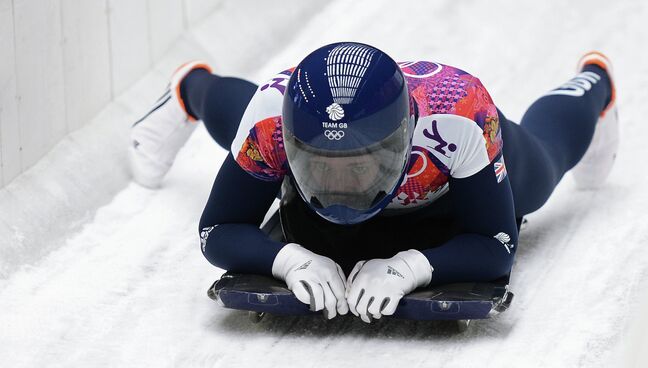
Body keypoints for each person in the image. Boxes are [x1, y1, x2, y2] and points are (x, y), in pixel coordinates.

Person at [130, 42, 618, 323]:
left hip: (449, 179)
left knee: (545, 163)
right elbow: (216, 229)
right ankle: (190, 87)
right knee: (245, 124)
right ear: (296, 141)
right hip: (278, 123)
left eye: (361, 164)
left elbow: (495, 243)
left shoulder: (460, 117)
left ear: (404, 142)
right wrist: (288, 257)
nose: (342, 183)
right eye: (320, 163)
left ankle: (597, 82)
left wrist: (410, 267)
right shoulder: (271, 122)